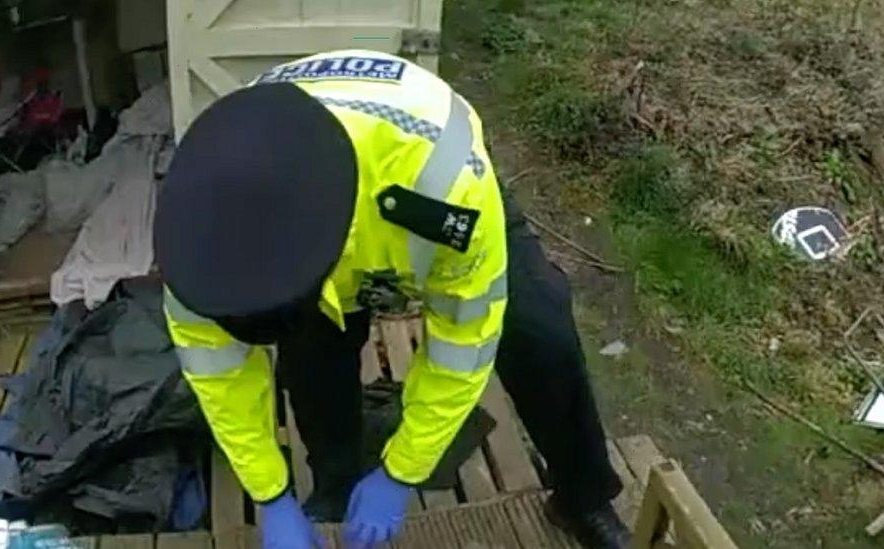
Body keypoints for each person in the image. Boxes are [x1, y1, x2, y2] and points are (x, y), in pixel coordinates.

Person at [154, 50, 629, 549]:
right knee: (314, 351)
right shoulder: (195, 238)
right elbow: (218, 375)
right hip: (299, 207)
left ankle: (583, 496)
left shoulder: (445, 184)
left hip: (408, 180)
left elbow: (462, 344)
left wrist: (401, 473)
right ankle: (336, 486)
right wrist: (270, 496)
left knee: (539, 327)